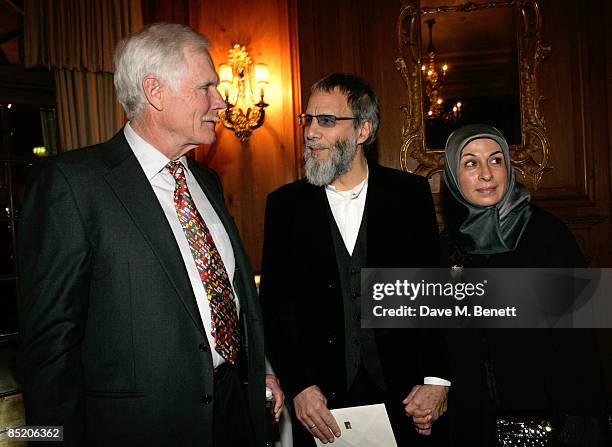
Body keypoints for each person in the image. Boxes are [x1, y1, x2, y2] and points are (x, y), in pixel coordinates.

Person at [17, 23, 278, 446]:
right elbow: (48, 352)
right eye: (206, 87)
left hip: (233, 411)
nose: (221, 100)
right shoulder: (75, 184)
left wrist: (259, 370)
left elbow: (226, 299)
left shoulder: (206, 181)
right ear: (155, 92)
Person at [260, 73, 450, 446]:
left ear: (363, 130)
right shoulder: (284, 205)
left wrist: (436, 381)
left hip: (405, 397)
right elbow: (275, 306)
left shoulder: (408, 195)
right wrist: (299, 385)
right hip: (320, 406)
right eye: (308, 120)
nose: (311, 132)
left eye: (327, 121)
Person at [440, 124, 609, 446]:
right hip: (473, 421)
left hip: (549, 420)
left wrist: (578, 420)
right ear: (452, 176)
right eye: (471, 163)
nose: (487, 174)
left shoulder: (548, 235)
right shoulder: (447, 246)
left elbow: (580, 340)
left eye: (496, 160)